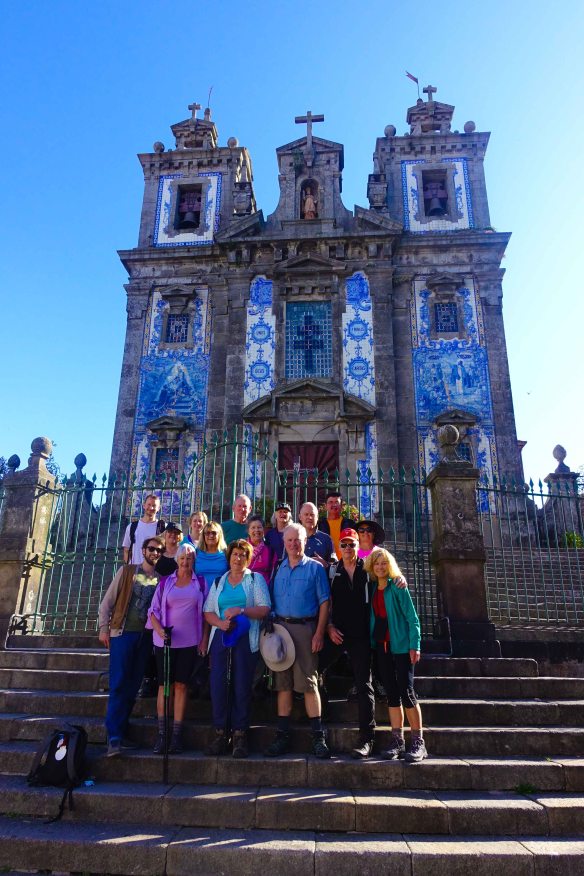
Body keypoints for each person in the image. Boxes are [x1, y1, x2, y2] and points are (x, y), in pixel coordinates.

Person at [265, 523, 331, 759]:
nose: (294, 544)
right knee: (282, 684)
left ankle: (318, 737)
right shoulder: (278, 568)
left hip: (305, 630)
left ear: (305, 541)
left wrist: (319, 632)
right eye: (289, 540)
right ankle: (282, 735)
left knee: (309, 683)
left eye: (298, 540)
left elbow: (325, 602)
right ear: (284, 543)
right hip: (281, 629)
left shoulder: (315, 569)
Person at [204, 539, 271, 757]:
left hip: (245, 638)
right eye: (235, 554)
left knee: (242, 685)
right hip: (221, 637)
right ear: (229, 556)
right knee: (218, 685)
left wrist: (241, 610)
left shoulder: (255, 580)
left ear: (248, 558)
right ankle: (220, 733)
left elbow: (264, 609)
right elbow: (208, 611)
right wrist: (220, 623)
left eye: (243, 555)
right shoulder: (219, 582)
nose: (238, 558)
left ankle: (240, 736)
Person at [98, 536, 163, 757]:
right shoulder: (127, 572)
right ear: (143, 550)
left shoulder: (161, 580)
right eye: (151, 549)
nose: (155, 553)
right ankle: (113, 738)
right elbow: (107, 602)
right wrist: (104, 628)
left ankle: (121, 730)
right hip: (122, 634)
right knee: (118, 684)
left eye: (159, 550)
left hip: (145, 638)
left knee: (133, 685)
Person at [364, 547, 427, 762]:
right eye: (376, 564)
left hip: (401, 646)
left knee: (406, 691)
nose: (380, 567)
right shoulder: (372, 588)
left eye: (384, 563)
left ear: (389, 565)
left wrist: (415, 644)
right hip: (381, 647)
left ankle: (418, 740)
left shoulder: (398, 586)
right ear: (372, 567)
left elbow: (412, 618)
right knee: (391, 693)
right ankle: (397, 739)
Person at [319, 528, 376, 758]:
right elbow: (327, 602)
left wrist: (399, 578)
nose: (348, 549)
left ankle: (367, 738)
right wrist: (329, 627)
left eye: (352, 544)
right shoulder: (333, 571)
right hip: (338, 633)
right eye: (344, 545)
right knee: (314, 669)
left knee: (364, 684)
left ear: (358, 546)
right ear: (338, 548)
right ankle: (321, 721)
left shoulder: (369, 569)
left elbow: (386, 579)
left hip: (361, 635)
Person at [147, 543, 209, 754]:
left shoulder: (200, 583)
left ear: (194, 561)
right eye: (182, 558)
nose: (185, 562)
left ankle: (176, 735)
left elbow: (206, 614)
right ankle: (162, 734)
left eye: (189, 558)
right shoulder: (166, 582)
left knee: (181, 686)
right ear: (177, 560)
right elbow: (152, 611)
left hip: (190, 642)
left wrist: (204, 640)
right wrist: (160, 630)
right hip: (164, 641)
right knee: (165, 686)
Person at [122, 495, 164, 565]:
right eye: (149, 504)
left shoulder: (162, 527)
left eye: (154, 505)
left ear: (158, 508)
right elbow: (126, 550)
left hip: (153, 571)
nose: (151, 508)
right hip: (135, 570)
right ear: (144, 505)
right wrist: (130, 567)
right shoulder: (132, 527)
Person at [299, 502, 334, 568]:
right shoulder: (293, 538)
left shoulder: (326, 539)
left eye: (312, 515)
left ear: (317, 517)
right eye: (306, 514)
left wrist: (325, 564)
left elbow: (334, 566)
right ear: (300, 517)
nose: (309, 517)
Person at [318, 492, 353, 557]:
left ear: (342, 506)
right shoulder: (319, 525)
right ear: (325, 506)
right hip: (326, 562)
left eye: (336, 502)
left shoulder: (350, 524)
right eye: (330, 502)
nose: (334, 505)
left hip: (346, 561)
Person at [247, 515, 278, 587]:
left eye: (259, 527)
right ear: (248, 531)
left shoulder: (270, 551)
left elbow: (273, 573)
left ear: (263, 530)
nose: (256, 530)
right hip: (245, 588)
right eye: (253, 527)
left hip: (264, 588)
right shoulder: (242, 549)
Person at [197, 522, 229, 588]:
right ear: (203, 536)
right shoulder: (196, 553)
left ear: (219, 535)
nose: (211, 536)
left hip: (220, 594)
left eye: (214, 533)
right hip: (200, 594)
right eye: (207, 533)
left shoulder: (226, 553)